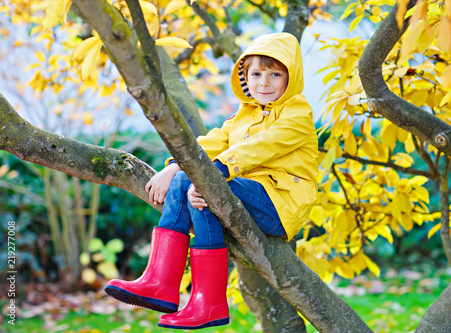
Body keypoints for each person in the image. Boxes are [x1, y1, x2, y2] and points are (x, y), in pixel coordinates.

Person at [104, 32, 319, 330]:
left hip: (279, 203)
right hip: (245, 194)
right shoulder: (243, 116)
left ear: (290, 77)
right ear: (245, 78)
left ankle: (208, 301)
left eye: (275, 74)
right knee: (182, 181)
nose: (264, 83)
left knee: (202, 181)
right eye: (256, 74)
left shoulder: (298, 113)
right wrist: (172, 168)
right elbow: (209, 143)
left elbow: (262, 146)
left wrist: (214, 174)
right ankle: (164, 283)